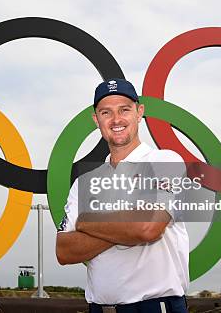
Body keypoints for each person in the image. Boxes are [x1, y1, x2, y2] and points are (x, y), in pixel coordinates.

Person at [55, 78, 189, 313]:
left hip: (155, 307)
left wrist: (87, 222)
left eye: (124, 110)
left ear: (139, 112)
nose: (116, 120)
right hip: (100, 308)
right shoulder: (83, 183)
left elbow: (147, 228)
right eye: (106, 112)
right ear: (96, 120)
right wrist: (126, 227)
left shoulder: (164, 161)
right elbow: (64, 250)